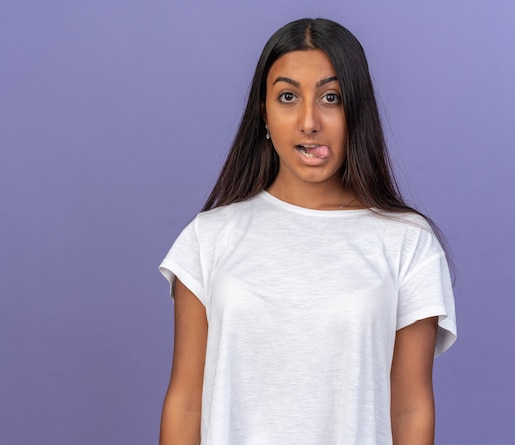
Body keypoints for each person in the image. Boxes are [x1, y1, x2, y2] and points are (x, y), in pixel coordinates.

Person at [158, 17, 456, 445]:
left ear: (357, 111)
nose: (309, 121)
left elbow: (410, 407)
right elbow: (186, 401)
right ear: (264, 112)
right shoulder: (208, 239)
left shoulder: (408, 243)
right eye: (287, 97)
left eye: (331, 97)